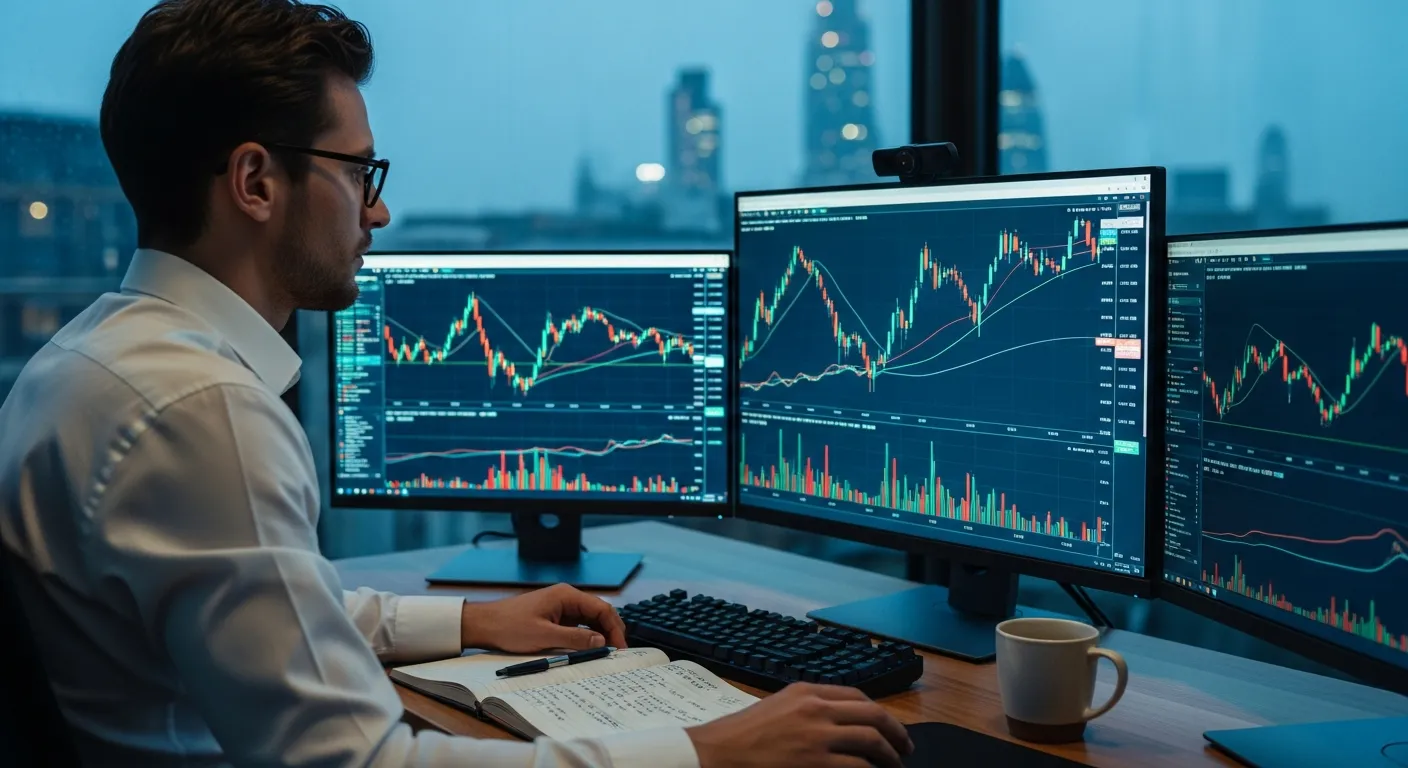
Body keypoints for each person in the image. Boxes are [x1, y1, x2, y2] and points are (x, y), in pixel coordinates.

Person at [0, 1, 915, 766]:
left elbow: (266, 607)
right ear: (254, 182)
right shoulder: (203, 412)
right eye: (358, 172)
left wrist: (470, 621)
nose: (379, 209)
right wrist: (705, 750)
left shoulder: (92, 361)